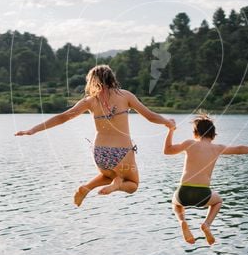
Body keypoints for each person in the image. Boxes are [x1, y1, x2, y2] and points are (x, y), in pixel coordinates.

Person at [15, 64, 174, 206]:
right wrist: (168, 122)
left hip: (99, 154)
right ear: (112, 78)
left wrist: (33, 130)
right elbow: (150, 116)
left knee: (108, 174)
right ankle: (117, 184)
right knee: (132, 185)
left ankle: (86, 187)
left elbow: (62, 117)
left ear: (92, 81)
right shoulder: (125, 96)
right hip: (122, 153)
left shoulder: (90, 101)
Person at [164, 114, 248, 245]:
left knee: (175, 202)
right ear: (214, 135)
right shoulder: (217, 148)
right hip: (203, 194)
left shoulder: (189, 144)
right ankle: (207, 224)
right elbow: (239, 149)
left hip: (184, 191)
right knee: (218, 201)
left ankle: (182, 221)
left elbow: (167, 151)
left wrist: (170, 130)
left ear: (195, 133)